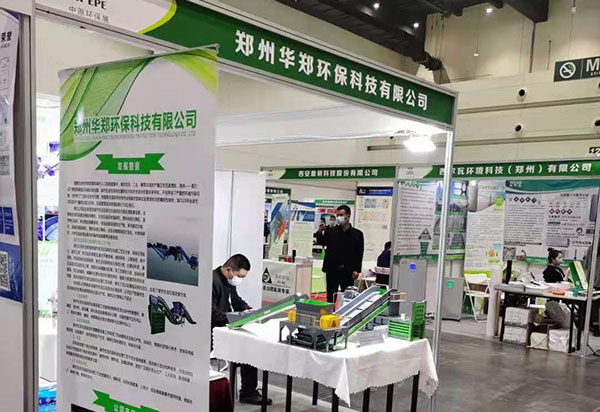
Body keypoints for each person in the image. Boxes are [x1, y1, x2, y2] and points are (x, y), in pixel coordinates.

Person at [211, 254, 272, 406]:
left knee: (250, 344)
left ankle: (248, 391)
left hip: (226, 326)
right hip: (213, 330)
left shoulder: (228, 281)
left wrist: (249, 311)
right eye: (240, 276)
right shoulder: (212, 281)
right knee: (247, 346)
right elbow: (212, 313)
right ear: (229, 270)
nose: (239, 279)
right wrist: (236, 318)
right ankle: (248, 392)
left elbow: (236, 301)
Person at [315, 205, 364, 303]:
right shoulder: (331, 232)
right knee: (330, 296)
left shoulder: (357, 234)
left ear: (348, 216)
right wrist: (319, 233)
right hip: (332, 269)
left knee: (347, 298)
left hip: (348, 270)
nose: (338, 218)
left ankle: (346, 312)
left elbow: (359, 252)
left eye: (341, 215)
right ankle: (330, 312)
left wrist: (357, 269)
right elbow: (322, 242)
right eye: (337, 215)